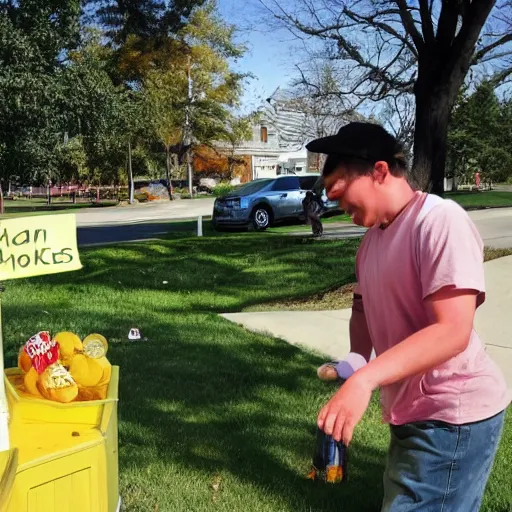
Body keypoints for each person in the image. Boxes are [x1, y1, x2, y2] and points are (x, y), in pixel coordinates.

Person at [305, 122, 510, 512]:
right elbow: (362, 307)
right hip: (412, 413)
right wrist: (355, 359)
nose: (333, 199)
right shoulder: (371, 242)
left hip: (453, 415)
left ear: (379, 171)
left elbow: (452, 331)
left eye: (341, 188)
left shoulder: (438, 221)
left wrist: (366, 381)